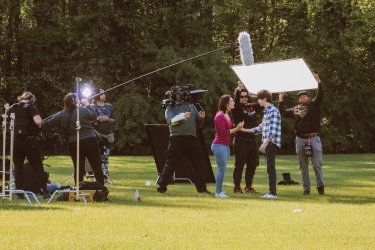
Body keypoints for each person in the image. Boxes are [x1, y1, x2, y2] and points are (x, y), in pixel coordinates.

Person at [157, 85, 211, 194]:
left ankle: (201, 189)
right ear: (174, 95)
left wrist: (201, 117)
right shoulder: (170, 107)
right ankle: (162, 187)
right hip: (177, 138)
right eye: (179, 93)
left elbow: (198, 122)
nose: (181, 94)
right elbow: (171, 121)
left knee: (199, 163)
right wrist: (183, 116)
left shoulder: (191, 106)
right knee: (171, 163)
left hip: (191, 138)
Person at [41, 93, 104, 185]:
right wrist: (87, 104)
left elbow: (46, 124)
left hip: (73, 143)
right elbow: (94, 116)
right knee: (96, 166)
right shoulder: (83, 109)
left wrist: (37, 123)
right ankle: (101, 190)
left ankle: (79, 190)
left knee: (78, 167)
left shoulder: (61, 115)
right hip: (89, 140)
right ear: (76, 101)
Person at [278, 74, 325, 195]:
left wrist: (318, 81)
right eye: (300, 97)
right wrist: (281, 98)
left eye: (305, 96)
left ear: (308, 98)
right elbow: (282, 112)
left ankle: (320, 188)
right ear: (298, 99)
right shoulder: (295, 109)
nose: (302, 98)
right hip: (300, 139)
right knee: (303, 165)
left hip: (313, 138)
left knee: (316, 164)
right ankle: (306, 189)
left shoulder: (314, 105)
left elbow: (320, 95)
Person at [6, 91, 51, 199]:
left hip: (16, 141)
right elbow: (38, 121)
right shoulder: (31, 107)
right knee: (37, 166)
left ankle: (20, 193)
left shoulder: (12, 108)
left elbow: (7, 122)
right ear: (31, 99)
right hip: (30, 141)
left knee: (18, 167)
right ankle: (44, 192)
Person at [241, 89, 281, 199]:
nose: (257, 101)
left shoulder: (273, 111)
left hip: (271, 144)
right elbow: (259, 128)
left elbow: (272, 132)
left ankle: (273, 193)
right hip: (267, 144)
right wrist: (243, 130)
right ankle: (271, 192)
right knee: (269, 168)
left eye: (259, 99)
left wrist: (264, 144)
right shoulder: (267, 111)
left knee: (270, 168)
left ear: (265, 99)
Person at [231, 81, 264, 194]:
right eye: (242, 96)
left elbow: (265, 101)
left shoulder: (252, 107)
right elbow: (235, 101)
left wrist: (255, 95)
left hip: (252, 140)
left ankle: (248, 187)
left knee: (252, 165)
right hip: (241, 140)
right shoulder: (236, 108)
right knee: (239, 164)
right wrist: (239, 88)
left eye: (246, 96)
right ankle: (237, 187)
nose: (244, 98)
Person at [211, 95, 244, 198]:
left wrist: (237, 128)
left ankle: (219, 191)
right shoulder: (220, 116)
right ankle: (218, 192)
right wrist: (237, 129)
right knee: (221, 168)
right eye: (232, 101)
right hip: (219, 145)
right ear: (226, 103)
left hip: (225, 145)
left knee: (223, 169)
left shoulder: (227, 114)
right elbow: (223, 132)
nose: (234, 102)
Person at [91, 89, 116, 184]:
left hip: (106, 136)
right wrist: (96, 119)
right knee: (94, 157)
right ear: (96, 96)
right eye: (101, 94)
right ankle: (93, 179)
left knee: (105, 157)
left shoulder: (109, 106)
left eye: (104, 94)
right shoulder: (91, 107)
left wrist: (106, 119)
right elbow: (87, 120)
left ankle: (105, 179)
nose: (104, 96)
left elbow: (114, 121)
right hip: (95, 135)